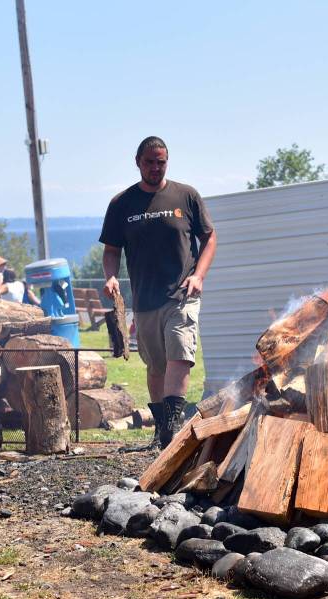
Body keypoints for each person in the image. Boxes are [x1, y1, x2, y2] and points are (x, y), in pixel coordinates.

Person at [99, 136, 217, 449]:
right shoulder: (122, 204)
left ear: (167, 162)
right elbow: (111, 250)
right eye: (149, 162)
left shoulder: (186, 196)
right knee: (156, 367)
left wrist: (199, 276)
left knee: (180, 355)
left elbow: (209, 237)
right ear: (138, 162)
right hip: (145, 300)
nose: (155, 167)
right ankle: (161, 431)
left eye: (160, 162)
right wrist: (111, 277)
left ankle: (172, 429)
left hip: (182, 294)